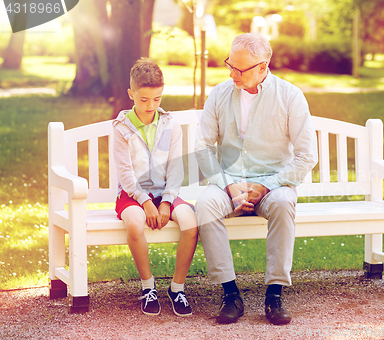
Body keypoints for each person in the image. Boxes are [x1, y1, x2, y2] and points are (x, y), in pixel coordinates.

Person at [194, 33, 318, 325]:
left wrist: (268, 186)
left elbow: (306, 156)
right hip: (229, 182)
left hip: (272, 183)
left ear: (263, 67)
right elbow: (202, 147)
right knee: (204, 204)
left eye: (240, 69)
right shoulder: (219, 93)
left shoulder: (290, 96)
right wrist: (227, 184)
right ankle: (230, 294)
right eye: (230, 65)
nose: (231, 73)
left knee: (285, 202)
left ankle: (274, 295)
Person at [113, 58, 198, 316]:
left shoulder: (170, 125)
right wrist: (146, 201)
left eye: (157, 99)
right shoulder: (121, 128)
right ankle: (148, 287)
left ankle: (177, 289)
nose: (151, 106)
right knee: (136, 224)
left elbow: (175, 168)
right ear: (131, 94)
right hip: (132, 195)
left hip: (166, 192)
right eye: (144, 100)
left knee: (191, 223)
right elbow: (125, 173)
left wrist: (166, 200)